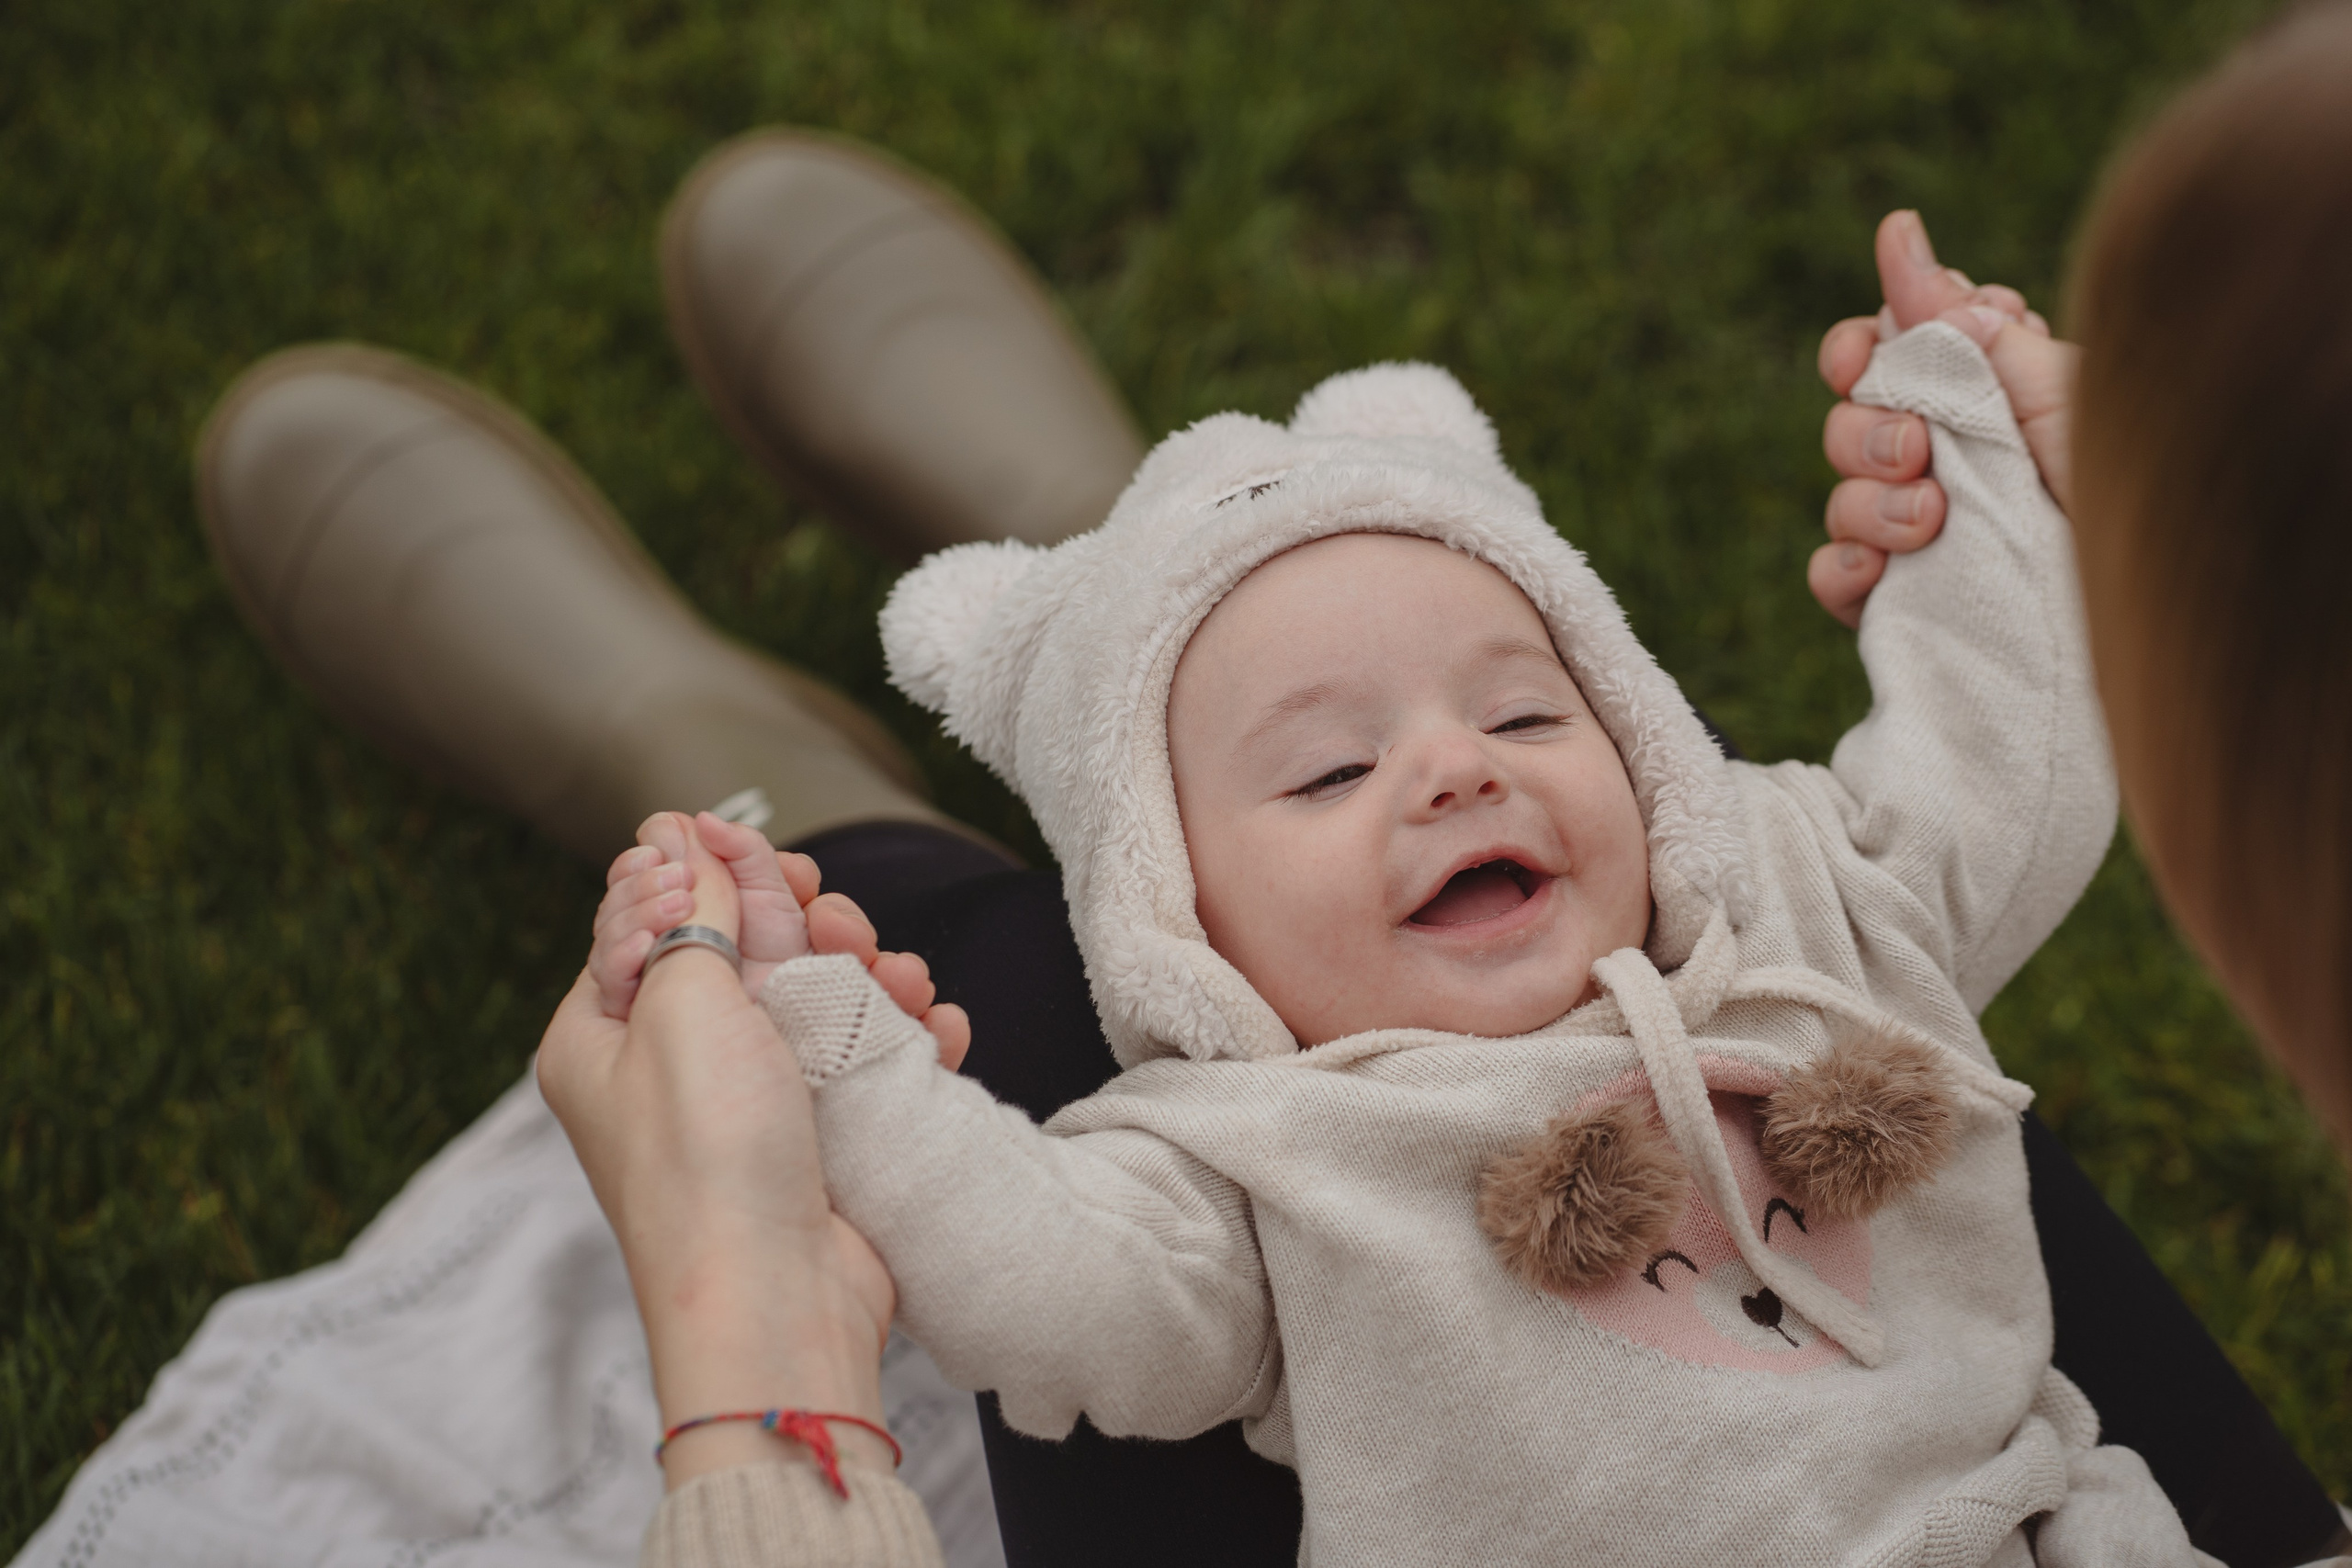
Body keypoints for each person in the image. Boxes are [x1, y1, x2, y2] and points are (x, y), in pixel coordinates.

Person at [155, 119, 2341, 1568]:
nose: (1459, 771)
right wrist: (2013, 485)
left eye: (1525, 712)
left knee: (1008, 991)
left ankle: (734, 744)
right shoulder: (1258, 1154)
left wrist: (814, 1025)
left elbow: (1037, 1300)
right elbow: (1049, 1262)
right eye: (1332, 770)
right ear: (1177, 930)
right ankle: (1159, 559)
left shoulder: (1781, 915)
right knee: (1237, 748)